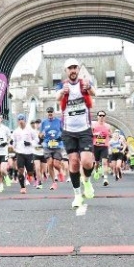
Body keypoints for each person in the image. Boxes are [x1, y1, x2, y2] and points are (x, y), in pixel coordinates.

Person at [55, 58, 97, 209]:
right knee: (73, 162)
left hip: (84, 129)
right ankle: (77, 195)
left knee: (87, 161)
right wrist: (62, 92)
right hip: (68, 130)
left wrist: (89, 88)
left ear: (78, 69)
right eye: (69, 68)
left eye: (75, 68)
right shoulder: (62, 84)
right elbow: (57, 97)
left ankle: (87, 181)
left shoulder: (84, 83)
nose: (72, 70)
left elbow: (94, 92)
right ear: (66, 71)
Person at [11, 114, 37, 194]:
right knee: (20, 170)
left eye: (22, 120)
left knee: (30, 172)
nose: (21, 121)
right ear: (18, 121)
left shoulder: (30, 130)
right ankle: (22, 187)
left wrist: (30, 143)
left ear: (25, 120)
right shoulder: (16, 131)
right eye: (19, 120)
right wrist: (13, 146)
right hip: (20, 153)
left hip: (29, 153)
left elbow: (36, 139)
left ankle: (32, 174)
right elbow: (13, 142)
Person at [40, 106, 64, 190]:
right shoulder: (44, 122)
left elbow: (63, 131)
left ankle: (60, 171)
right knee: (49, 163)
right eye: (48, 112)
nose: (50, 113)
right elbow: (40, 134)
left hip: (58, 145)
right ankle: (54, 182)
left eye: (51, 111)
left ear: (54, 112)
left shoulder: (59, 121)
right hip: (47, 145)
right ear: (46, 113)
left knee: (56, 164)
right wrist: (41, 135)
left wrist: (61, 137)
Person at [91, 110, 111, 186]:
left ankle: (105, 179)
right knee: (96, 163)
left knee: (104, 162)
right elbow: (90, 134)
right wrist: (96, 134)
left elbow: (110, 134)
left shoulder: (108, 126)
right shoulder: (93, 125)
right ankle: (96, 171)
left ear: (105, 117)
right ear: (97, 117)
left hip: (104, 146)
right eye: (100, 115)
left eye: (103, 116)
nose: (101, 117)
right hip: (96, 146)